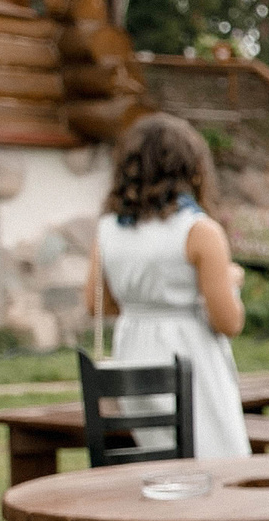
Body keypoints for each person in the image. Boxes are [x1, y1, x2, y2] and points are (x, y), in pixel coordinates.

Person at [86, 113, 251, 457]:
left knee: (157, 458)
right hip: (189, 354)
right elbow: (227, 322)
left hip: (133, 351)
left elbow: (97, 303)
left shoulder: (108, 230)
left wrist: (142, 299)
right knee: (214, 456)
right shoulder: (198, 231)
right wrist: (231, 280)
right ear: (191, 168)